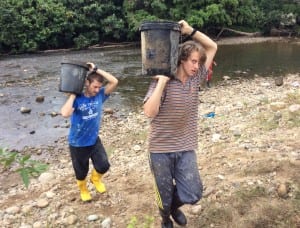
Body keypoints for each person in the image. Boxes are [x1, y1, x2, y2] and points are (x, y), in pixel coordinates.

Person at [143, 20, 217, 227]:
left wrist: (190, 31)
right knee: (163, 195)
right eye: (193, 61)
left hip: (185, 146)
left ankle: (172, 207)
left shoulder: (197, 78)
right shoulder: (162, 81)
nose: (197, 66)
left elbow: (213, 47)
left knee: (193, 192)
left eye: (198, 62)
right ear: (182, 60)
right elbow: (149, 112)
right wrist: (162, 82)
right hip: (160, 149)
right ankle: (165, 215)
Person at [60, 62, 118, 202]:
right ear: (87, 83)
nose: (97, 90)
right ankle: (83, 189)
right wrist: (73, 95)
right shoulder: (78, 98)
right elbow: (64, 113)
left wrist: (97, 69)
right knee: (81, 172)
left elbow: (114, 81)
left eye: (99, 87)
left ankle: (95, 179)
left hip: (93, 140)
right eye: (95, 87)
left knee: (104, 165)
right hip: (78, 143)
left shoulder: (100, 95)